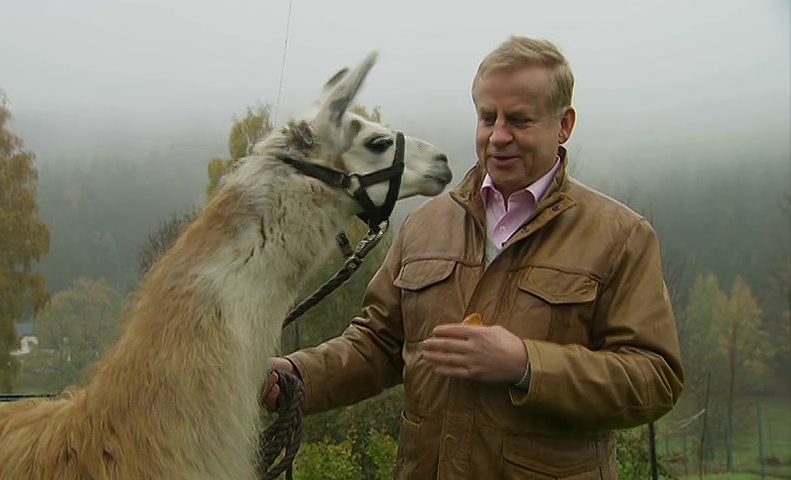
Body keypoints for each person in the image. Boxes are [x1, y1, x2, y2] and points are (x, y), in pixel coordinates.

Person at [263, 35, 684, 479]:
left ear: (564, 125)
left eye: (519, 120)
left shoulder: (622, 237)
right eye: (488, 117)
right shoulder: (426, 224)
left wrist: (526, 365)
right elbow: (378, 345)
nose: (498, 136)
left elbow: (654, 378)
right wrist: (296, 376)